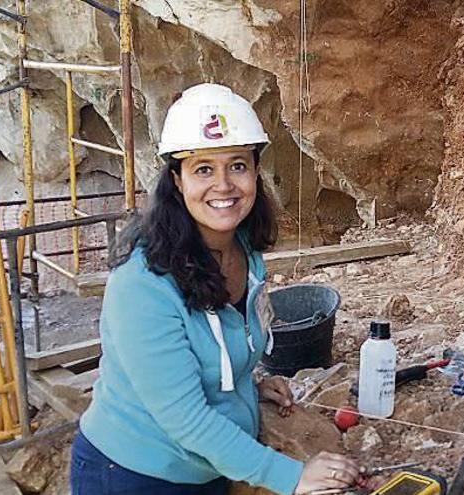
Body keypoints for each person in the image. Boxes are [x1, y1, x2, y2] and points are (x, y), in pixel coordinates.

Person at [70, 83, 361, 495]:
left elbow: (225, 345)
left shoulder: (244, 249)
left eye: (237, 165)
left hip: (209, 469)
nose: (224, 185)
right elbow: (184, 416)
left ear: (256, 172)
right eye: (203, 168)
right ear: (177, 180)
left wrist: (245, 383)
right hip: (132, 474)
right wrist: (291, 476)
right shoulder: (143, 283)